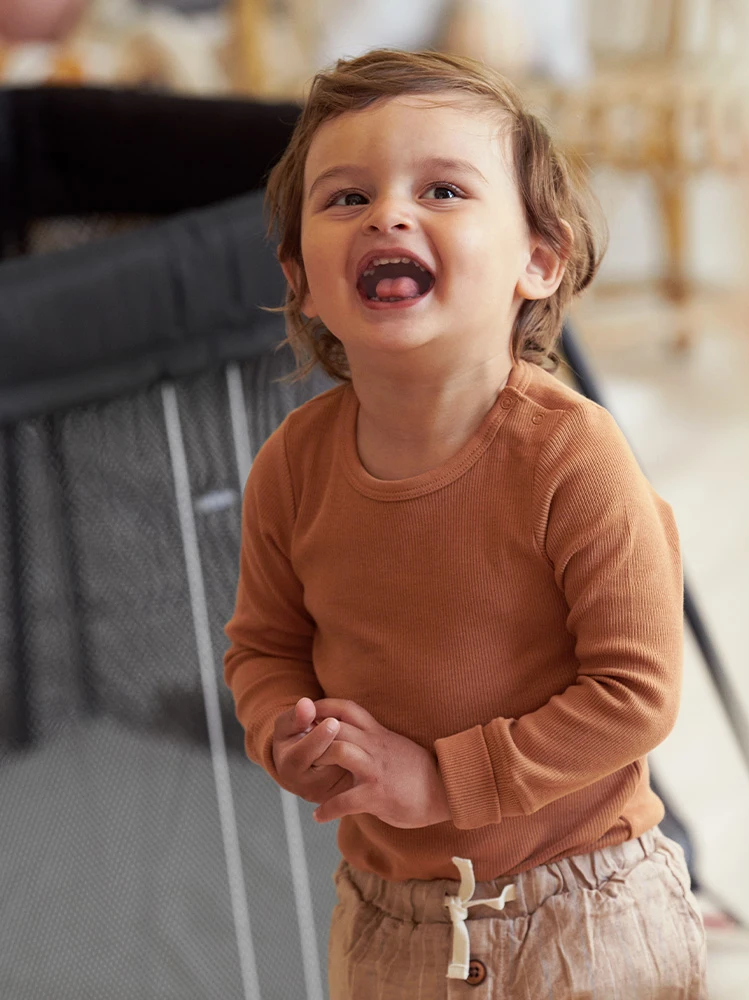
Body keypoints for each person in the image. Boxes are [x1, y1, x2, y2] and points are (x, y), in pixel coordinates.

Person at [223, 47, 707, 999]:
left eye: (443, 190)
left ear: (539, 258)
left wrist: (440, 782)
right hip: (389, 918)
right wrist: (287, 732)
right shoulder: (291, 466)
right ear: (303, 279)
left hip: (584, 916)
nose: (389, 214)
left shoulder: (573, 456)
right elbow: (264, 648)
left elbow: (636, 689)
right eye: (346, 198)